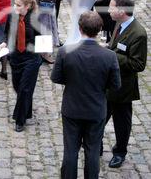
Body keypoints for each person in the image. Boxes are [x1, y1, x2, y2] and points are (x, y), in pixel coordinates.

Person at [51, 11, 121, 179]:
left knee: (70, 150)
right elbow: (115, 85)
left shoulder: (65, 52)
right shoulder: (109, 56)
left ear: (79, 28)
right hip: (95, 110)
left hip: (72, 108)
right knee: (92, 151)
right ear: (99, 30)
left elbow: (56, 78)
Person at [105, 0, 147, 168]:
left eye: (112, 6)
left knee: (122, 123)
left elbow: (138, 64)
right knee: (100, 116)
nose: (108, 10)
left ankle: (120, 152)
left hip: (123, 88)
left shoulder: (139, 34)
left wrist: (112, 55)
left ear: (121, 11)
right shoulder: (118, 23)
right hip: (108, 84)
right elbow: (115, 46)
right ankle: (95, 144)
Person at [1, 0, 42, 132]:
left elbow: (42, 38)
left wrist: (41, 52)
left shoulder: (35, 18)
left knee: (25, 88)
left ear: (27, 6)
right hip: (16, 58)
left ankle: (20, 119)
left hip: (31, 58)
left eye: (18, 5)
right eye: (14, 4)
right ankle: (27, 111)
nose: (14, 7)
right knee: (18, 87)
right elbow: (7, 33)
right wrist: (4, 43)